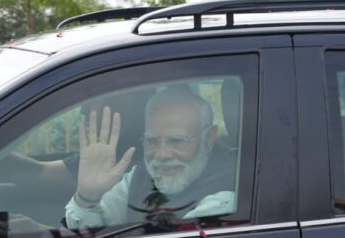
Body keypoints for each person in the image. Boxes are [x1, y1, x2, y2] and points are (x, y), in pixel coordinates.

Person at [65, 88, 235, 230]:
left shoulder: (225, 197)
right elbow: (88, 235)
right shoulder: (139, 177)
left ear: (209, 139)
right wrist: (88, 196)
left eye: (177, 141)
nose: (161, 154)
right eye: (152, 141)